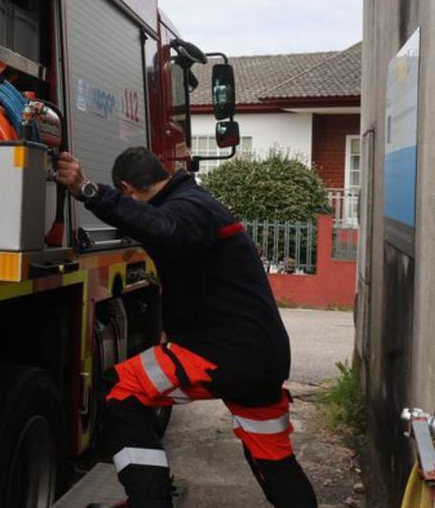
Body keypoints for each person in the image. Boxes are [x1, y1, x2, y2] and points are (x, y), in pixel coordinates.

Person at [53, 147, 317, 508]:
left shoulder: (186, 207)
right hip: (260, 356)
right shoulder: (197, 203)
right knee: (273, 458)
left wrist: (89, 190)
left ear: (128, 189)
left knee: (120, 391)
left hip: (221, 354)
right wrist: (171, 330)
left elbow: (164, 230)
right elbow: (194, 276)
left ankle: (150, 500)